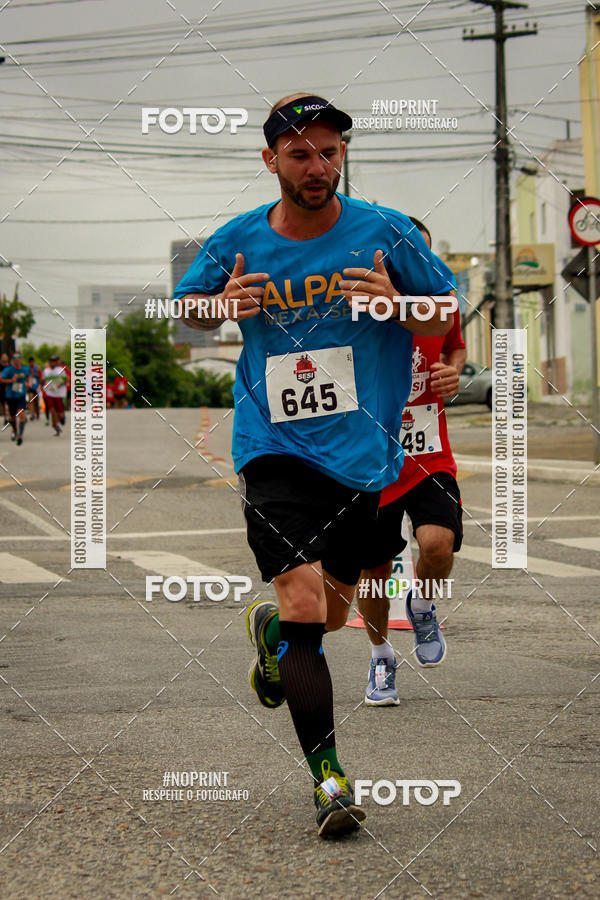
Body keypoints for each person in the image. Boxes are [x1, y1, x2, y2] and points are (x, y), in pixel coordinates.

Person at [175, 93, 455, 837]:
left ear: (342, 156)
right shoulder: (238, 238)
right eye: (299, 154)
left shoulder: (387, 232)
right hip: (273, 447)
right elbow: (185, 307)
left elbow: (446, 310)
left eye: (328, 152)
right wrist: (220, 305)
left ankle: (272, 636)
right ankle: (329, 780)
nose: (316, 167)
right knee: (305, 604)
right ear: (271, 159)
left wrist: (398, 304)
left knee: (331, 610)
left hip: (362, 459)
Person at [358, 218, 466, 706]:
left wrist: (453, 373)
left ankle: (421, 603)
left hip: (428, 453)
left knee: (439, 546)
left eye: (424, 256)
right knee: (374, 570)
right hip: (371, 459)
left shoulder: (441, 302)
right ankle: (381, 656)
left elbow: (455, 347)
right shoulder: (362, 305)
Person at [1, 351, 30, 445]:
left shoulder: (25, 369)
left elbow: (28, 377)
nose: (17, 360)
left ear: (21, 359)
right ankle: (15, 430)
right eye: (15, 358)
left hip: (21, 395)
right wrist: (10, 380)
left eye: (18, 358)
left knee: (21, 414)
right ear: (12, 360)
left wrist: (28, 383)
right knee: (12, 417)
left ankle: (20, 435)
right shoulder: (9, 370)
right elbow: (1, 379)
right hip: (11, 396)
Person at [42, 355, 68, 436]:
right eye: (51, 361)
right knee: (53, 411)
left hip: (59, 394)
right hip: (50, 394)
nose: (53, 363)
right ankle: (55, 426)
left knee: (59, 414)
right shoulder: (46, 371)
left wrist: (59, 385)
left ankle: (61, 418)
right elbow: (42, 380)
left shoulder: (60, 370)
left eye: (54, 361)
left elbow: (66, 380)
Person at [27, 356, 42, 420]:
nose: (31, 363)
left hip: (36, 386)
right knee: (31, 400)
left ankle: (37, 413)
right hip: (30, 386)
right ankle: (32, 414)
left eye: (32, 362)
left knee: (36, 401)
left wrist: (40, 385)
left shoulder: (38, 368)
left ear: (34, 362)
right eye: (30, 362)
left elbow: (41, 376)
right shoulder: (27, 368)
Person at [0, 352, 9, 428]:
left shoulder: (9, 367)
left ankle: (10, 417)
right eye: (3, 358)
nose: (4, 359)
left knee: (9, 402)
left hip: (9, 386)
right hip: (1, 387)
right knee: (3, 403)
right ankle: (6, 418)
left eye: (5, 357)